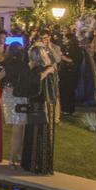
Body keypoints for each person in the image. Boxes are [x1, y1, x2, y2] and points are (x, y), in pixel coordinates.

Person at [22, 32, 59, 175]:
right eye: (44, 52)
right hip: (38, 106)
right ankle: (38, 165)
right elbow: (36, 82)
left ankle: (33, 164)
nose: (46, 54)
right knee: (39, 135)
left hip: (38, 105)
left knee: (36, 134)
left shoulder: (39, 68)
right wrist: (48, 71)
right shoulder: (37, 69)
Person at [0, 44, 29, 168]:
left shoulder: (4, 64)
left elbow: (0, 79)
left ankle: (15, 156)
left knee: (16, 129)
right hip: (19, 96)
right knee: (18, 129)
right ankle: (14, 158)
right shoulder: (23, 65)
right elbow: (26, 82)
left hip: (7, 96)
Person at [57, 33, 84, 117]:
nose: (63, 40)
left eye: (65, 38)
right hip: (65, 73)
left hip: (71, 73)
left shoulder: (76, 49)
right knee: (64, 91)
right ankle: (65, 108)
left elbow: (74, 61)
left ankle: (68, 109)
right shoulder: (66, 47)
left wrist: (63, 57)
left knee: (68, 91)